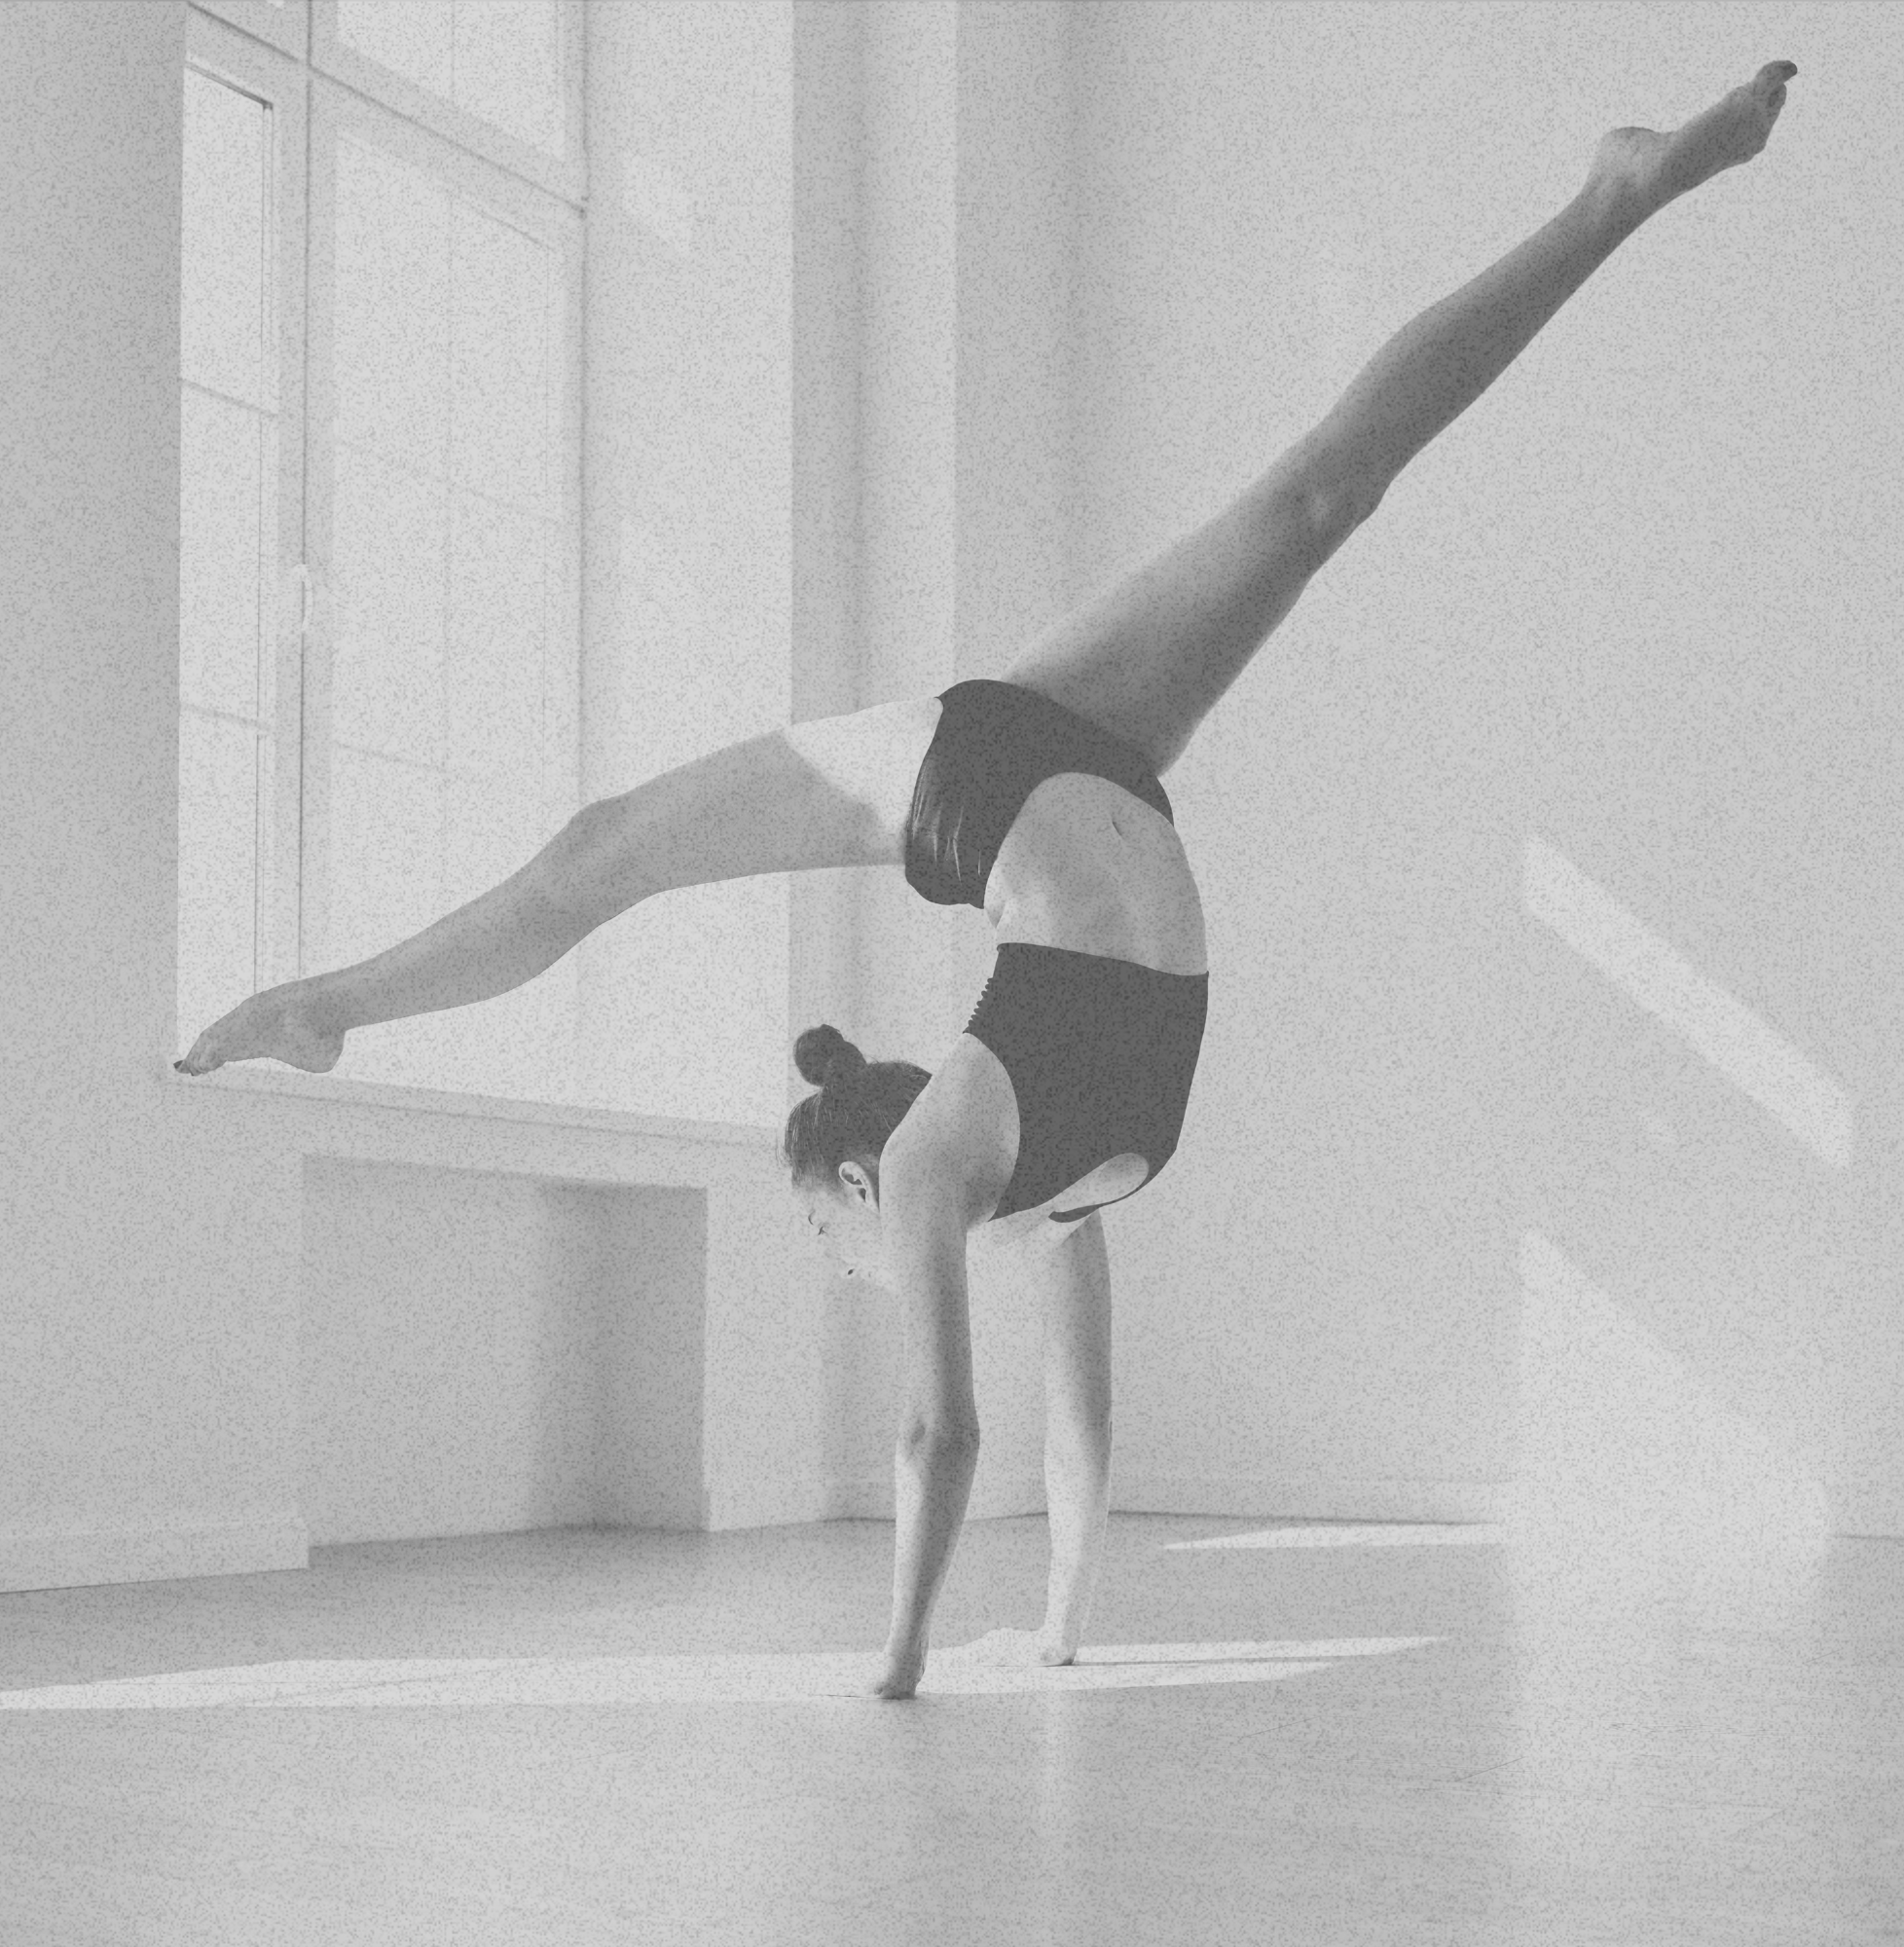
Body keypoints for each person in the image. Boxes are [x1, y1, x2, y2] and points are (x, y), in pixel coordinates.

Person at [178, 65, 1799, 1698]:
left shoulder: (1009, 1176)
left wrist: (913, 1665)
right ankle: (1613, 195)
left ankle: (330, 1003)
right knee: (1317, 496)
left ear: (856, 1187)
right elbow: (1048, 1422)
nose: (869, 1264)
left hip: (1065, 840)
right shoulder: (1004, 1183)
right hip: (1045, 797)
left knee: (605, 854)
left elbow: (943, 1431)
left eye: (842, 1243)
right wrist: (1048, 1627)